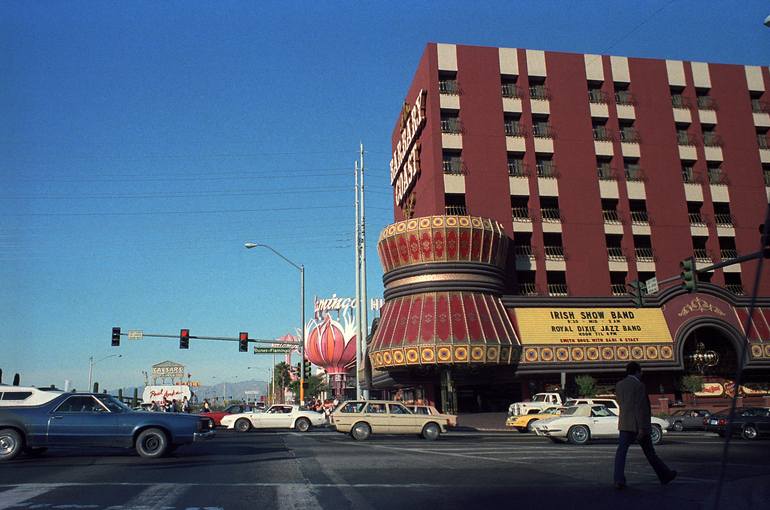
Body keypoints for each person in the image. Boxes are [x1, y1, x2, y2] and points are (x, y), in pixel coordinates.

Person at [614, 361, 677, 489]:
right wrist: (643, 428)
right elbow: (641, 408)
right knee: (650, 453)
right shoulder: (640, 386)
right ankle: (665, 475)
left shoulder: (619, 385)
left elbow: (621, 403)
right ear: (637, 371)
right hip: (638, 425)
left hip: (625, 424)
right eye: (640, 372)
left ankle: (618, 479)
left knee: (621, 452)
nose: (641, 374)